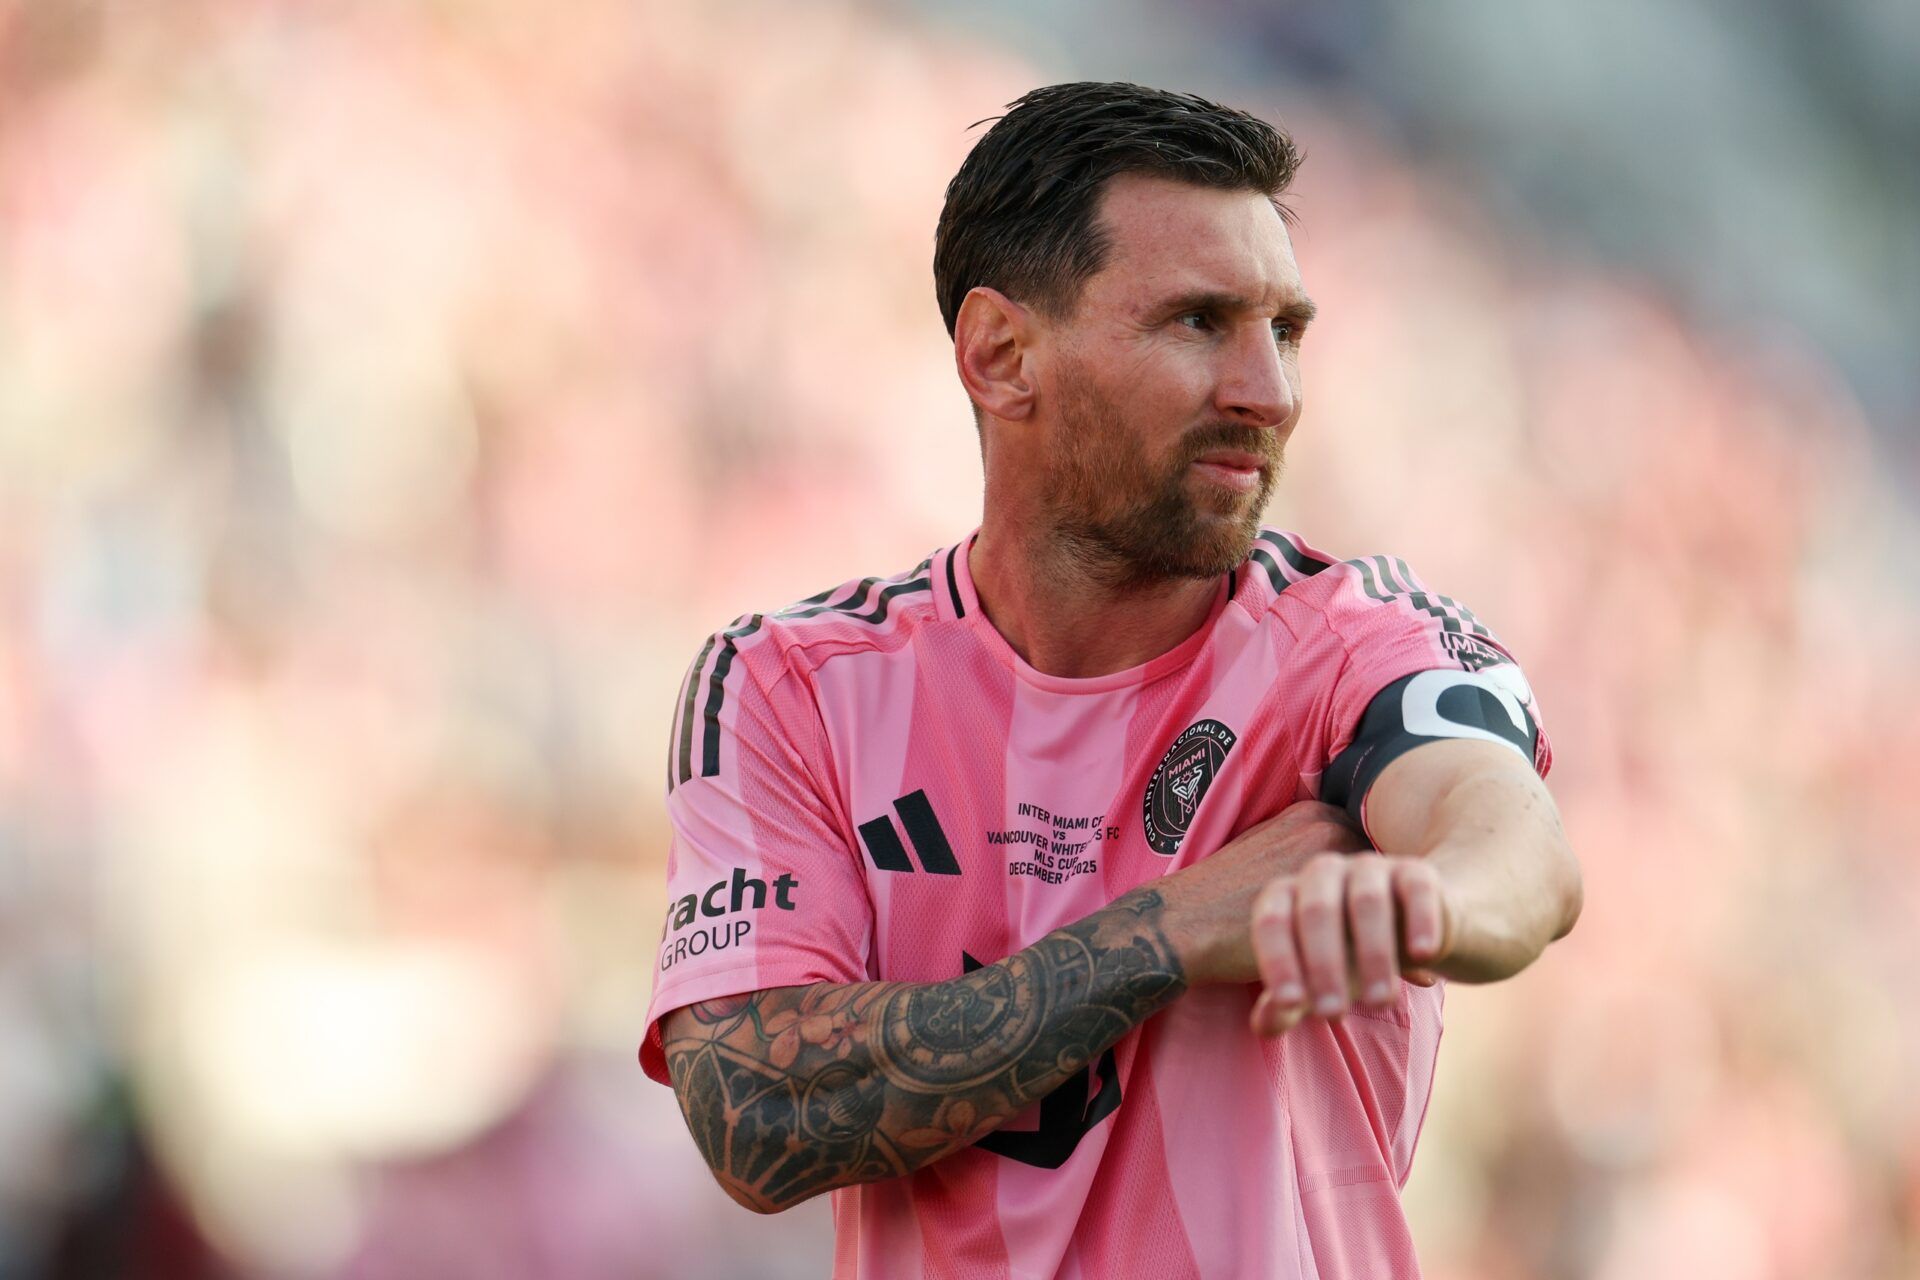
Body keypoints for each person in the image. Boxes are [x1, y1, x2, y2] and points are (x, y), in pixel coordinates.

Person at [641, 81, 1582, 1278]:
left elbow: (1514, 845)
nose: (1271, 391)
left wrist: (1424, 902)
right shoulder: (792, 685)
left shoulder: (1353, 641)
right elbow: (755, 1117)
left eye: (1284, 330)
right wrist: (1178, 927)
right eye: (1199, 322)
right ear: (1002, 354)